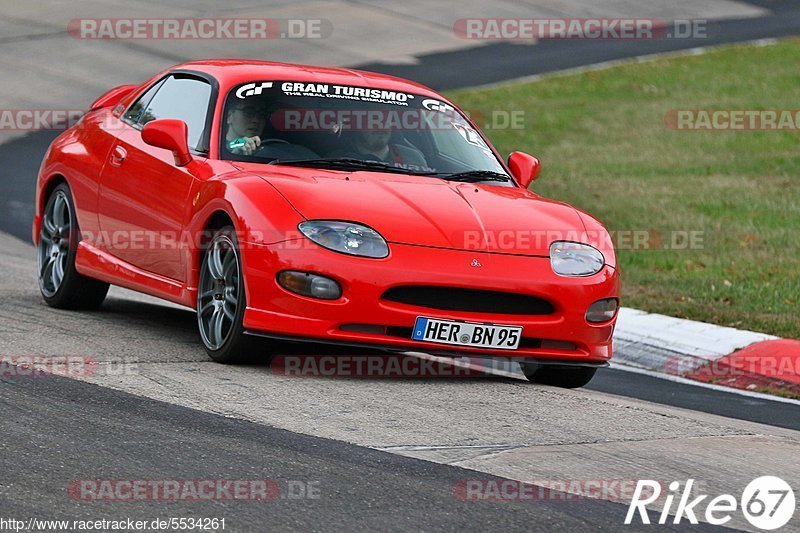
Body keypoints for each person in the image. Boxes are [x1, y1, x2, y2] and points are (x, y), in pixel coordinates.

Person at [225, 100, 317, 160]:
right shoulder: (220, 146)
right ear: (229, 116)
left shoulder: (282, 149)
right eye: (248, 112)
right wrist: (237, 144)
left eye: (262, 114)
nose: (256, 120)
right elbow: (227, 146)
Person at [334, 130, 429, 171]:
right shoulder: (334, 160)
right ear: (358, 125)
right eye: (372, 120)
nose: (380, 126)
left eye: (385, 120)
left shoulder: (413, 158)